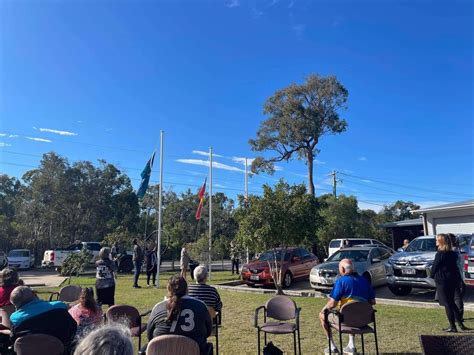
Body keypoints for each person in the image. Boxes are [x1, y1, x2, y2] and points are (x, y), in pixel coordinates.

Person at [318, 259, 375, 354]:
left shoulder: (341, 281)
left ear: (343, 270)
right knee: (352, 312)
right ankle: (351, 346)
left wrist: (323, 309)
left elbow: (332, 304)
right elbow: (373, 301)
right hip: (364, 319)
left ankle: (332, 347)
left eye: (339, 268)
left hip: (346, 320)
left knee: (322, 315)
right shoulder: (365, 281)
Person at [146, 276, 212, 354]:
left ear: (168, 289)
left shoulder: (158, 307)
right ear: (187, 289)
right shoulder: (200, 305)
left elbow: (149, 335)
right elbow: (208, 331)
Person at [9, 286, 77, 349]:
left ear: (15, 304)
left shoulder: (15, 319)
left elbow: (14, 340)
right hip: (63, 350)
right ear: (34, 294)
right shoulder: (59, 306)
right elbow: (73, 327)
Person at [431, 233, 468, 332]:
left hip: (442, 280)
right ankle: (460, 324)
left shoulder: (440, 254)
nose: (435, 242)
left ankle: (452, 326)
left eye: (436, 240)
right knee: (452, 302)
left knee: (447, 304)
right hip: (452, 279)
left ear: (440, 242)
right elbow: (455, 268)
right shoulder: (452, 254)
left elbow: (435, 267)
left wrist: (431, 275)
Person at [447, 233, 465, 321]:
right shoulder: (456, 250)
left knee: (457, 297)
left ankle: (458, 316)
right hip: (458, 275)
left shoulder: (453, 251)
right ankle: (458, 315)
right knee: (456, 297)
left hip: (455, 276)